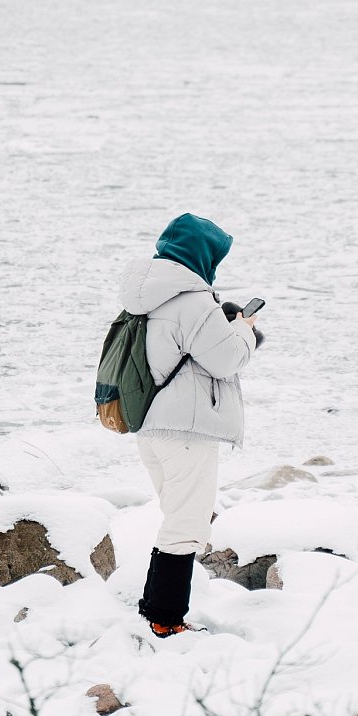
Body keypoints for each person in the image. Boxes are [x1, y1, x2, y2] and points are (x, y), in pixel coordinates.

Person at [117, 213, 258, 638]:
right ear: (202, 255)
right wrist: (247, 331)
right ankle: (165, 620)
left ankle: (155, 611)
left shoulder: (143, 295)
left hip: (151, 427)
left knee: (178, 519)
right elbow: (227, 359)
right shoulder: (194, 300)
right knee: (187, 525)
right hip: (187, 432)